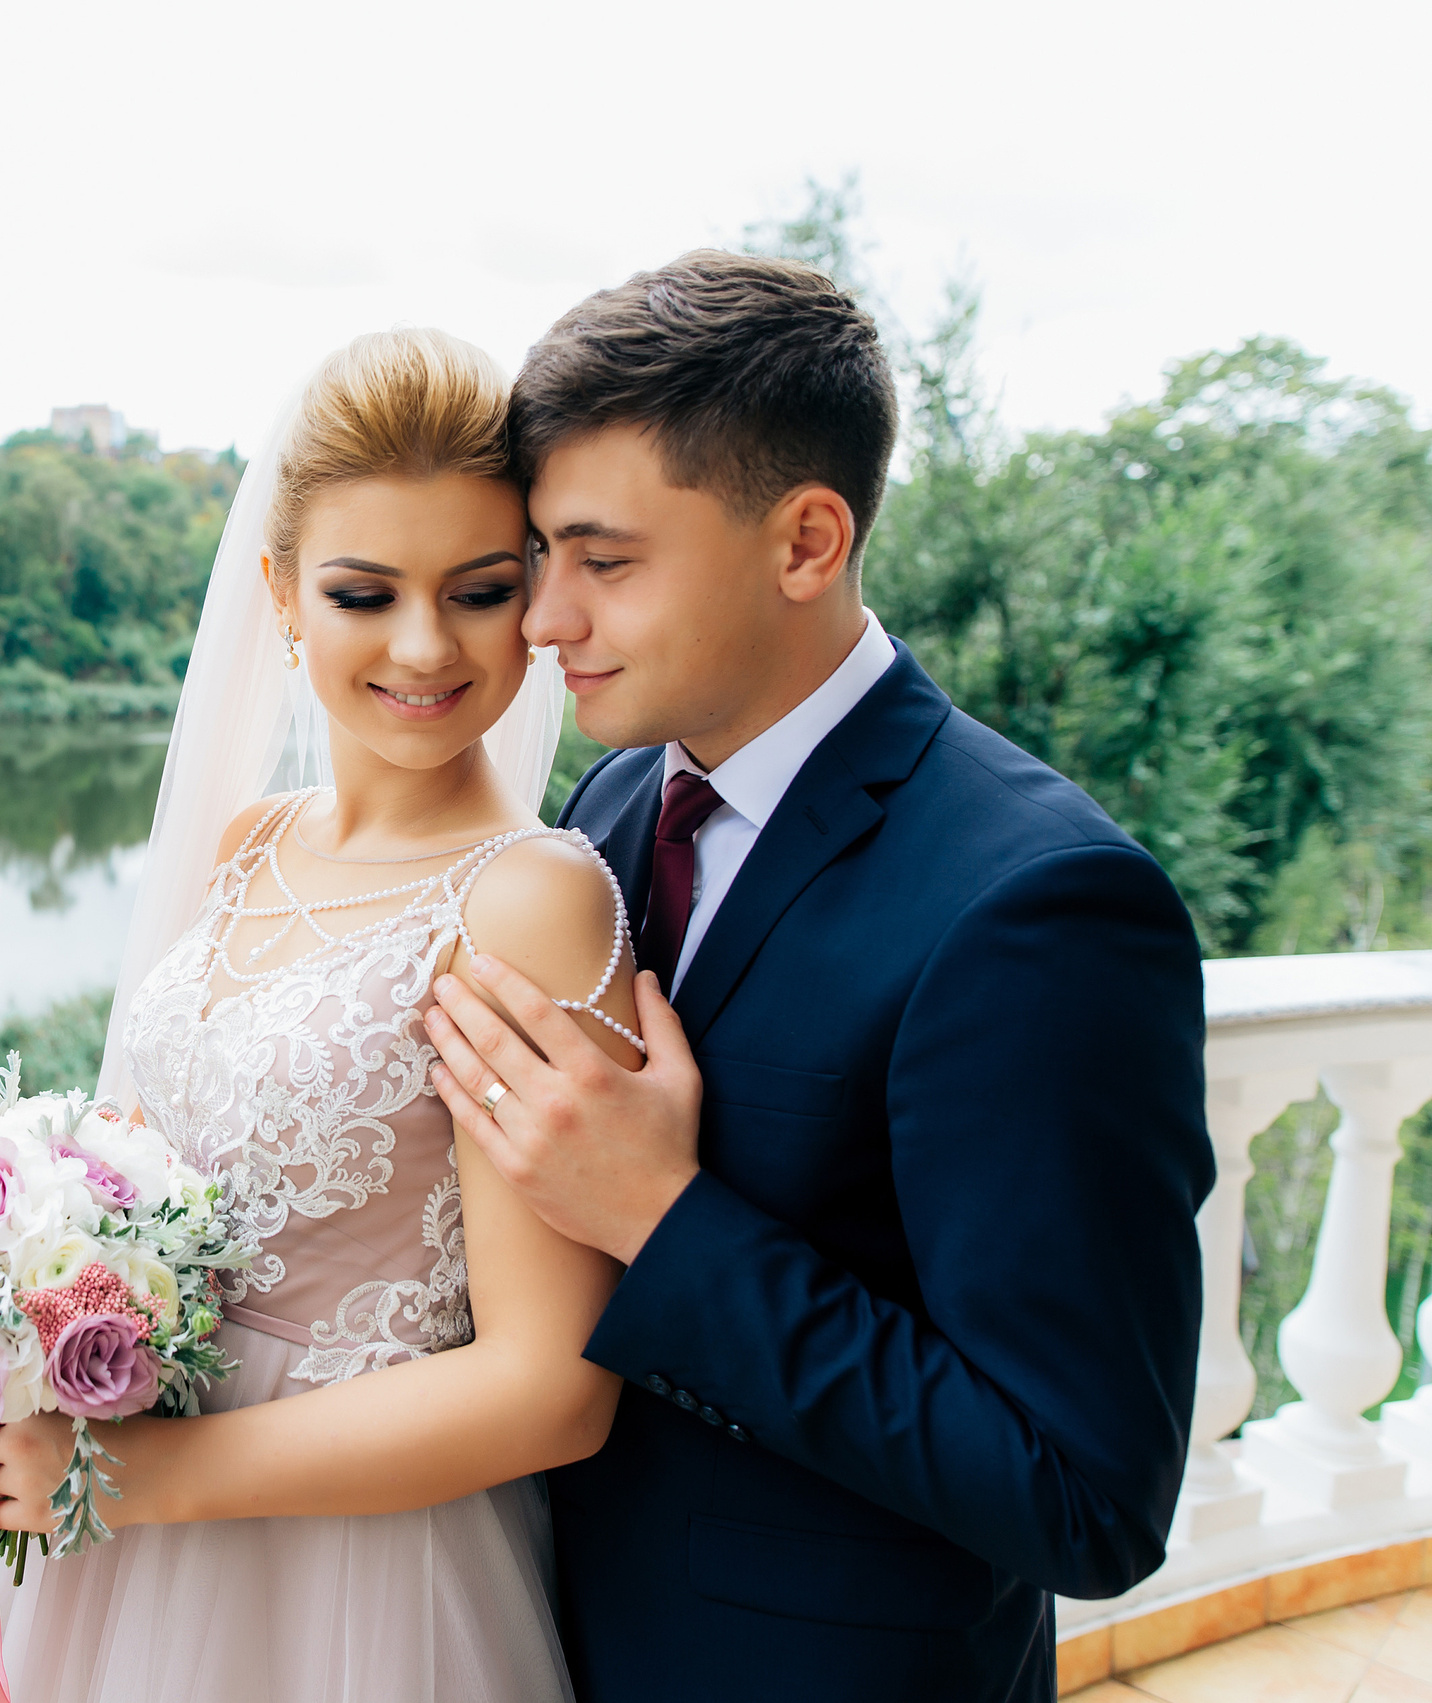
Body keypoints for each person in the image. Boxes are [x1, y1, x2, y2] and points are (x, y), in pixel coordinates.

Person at [420, 251, 1215, 1701]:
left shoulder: (1041, 906)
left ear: (805, 541)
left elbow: (1087, 1496)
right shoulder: (606, 813)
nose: (544, 621)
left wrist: (662, 1218)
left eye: (604, 560)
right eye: (539, 557)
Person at [0, 329, 643, 1702]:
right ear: (281, 594)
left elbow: (552, 1387)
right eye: (362, 592)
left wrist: (133, 1474)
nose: (421, 645)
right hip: (132, 1548)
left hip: (358, 1579)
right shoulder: (246, 846)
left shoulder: (529, 900)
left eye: (477, 590)